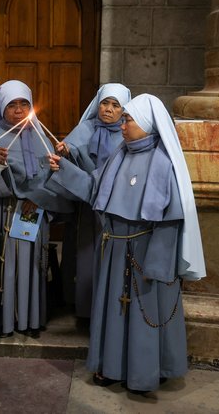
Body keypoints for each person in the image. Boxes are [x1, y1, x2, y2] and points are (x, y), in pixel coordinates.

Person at [47, 94, 206, 393]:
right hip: (114, 250)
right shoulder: (120, 154)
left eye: (128, 119)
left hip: (146, 253)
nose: (122, 125)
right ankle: (112, 366)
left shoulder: (162, 163)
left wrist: (158, 266)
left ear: (146, 124)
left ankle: (145, 371)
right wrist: (63, 170)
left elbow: (170, 219)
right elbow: (95, 188)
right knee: (115, 313)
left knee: (144, 312)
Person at [0, 80, 73, 338]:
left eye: (23, 104)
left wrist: (40, 197)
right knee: (0, 267)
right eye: (12, 105)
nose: (18, 111)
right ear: (1, 107)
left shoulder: (41, 138)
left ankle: (27, 319)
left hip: (32, 213)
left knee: (29, 267)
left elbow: (53, 177)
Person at [54, 83, 131, 319]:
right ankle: (85, 308)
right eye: (104, 103)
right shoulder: (85, 129)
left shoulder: (129, 132)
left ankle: (108, 308)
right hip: (86, 207)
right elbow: (68, 161)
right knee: (85, 254)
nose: (108, 109)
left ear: (123, 110)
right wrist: (66, 153)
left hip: (115, 207)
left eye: (115, 105)